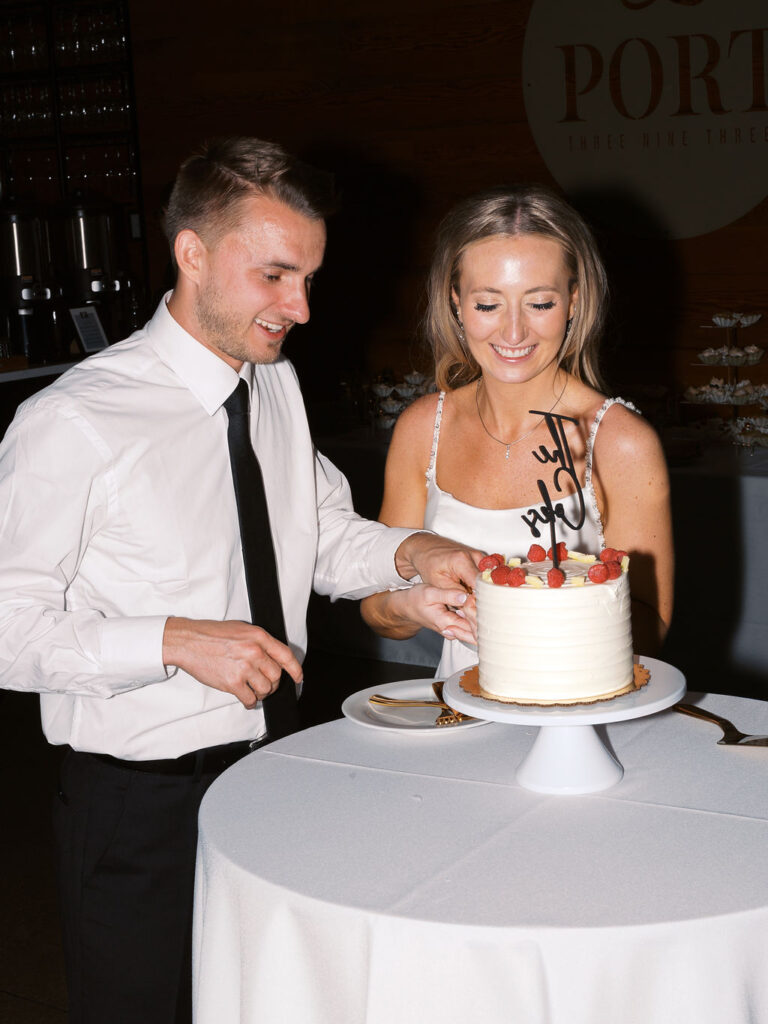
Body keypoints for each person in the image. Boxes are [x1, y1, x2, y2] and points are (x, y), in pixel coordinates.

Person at [0, 137, 482, 1024]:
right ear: (192, 253)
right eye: (275, 276)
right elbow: (8, 627)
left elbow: (316, 533)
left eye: (309, 278)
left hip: (278, 770)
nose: (300, 307)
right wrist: (174, 641)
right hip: (140, 807)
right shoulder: (71, 420)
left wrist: (413, 555)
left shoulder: (274, 385)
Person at [361, 184, 673, 679]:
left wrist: (535, 624)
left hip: (579, 704)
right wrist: (411, 606)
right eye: (488, 305)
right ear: (456, 302)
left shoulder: (621, 441)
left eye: (540, 304)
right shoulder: (423, 427)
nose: (513, 333)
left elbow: (652, 626)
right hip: (460, 709)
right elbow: (379, 611)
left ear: (574, 301)